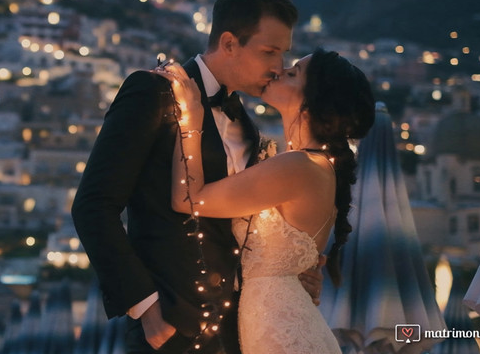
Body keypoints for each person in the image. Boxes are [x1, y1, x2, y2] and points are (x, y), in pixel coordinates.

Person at [71, 0, 322, 354]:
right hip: (171, 331)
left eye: (284, 54)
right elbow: (93, 206)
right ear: (230, 43)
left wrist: (291, 268)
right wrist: (147, 307)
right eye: (269, 52)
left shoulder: (248, 127)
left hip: (241, 330)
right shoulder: (153, 93)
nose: (278, 67)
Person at [157, 48, 375, 353]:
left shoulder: (299, 167)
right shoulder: (308, 165)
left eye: (294, 72)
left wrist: (191, 119)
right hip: (278, 326)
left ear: (315, 101)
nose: (280, 71)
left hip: (281, 335)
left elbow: (189, 199)